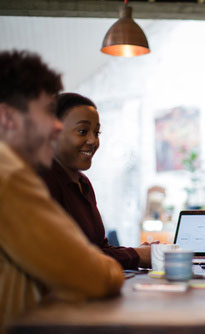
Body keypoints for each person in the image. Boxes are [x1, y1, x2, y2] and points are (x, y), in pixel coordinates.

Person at [0, 50, 124, 329]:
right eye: (46, 113)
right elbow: (90, 274)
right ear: (8, 117)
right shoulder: (10, 175)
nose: (56, 126)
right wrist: (109, 267)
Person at [38, 93, 151, 270]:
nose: (93, 141)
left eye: (96, 132)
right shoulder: (42, 182)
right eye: (83, 131)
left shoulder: (83, 183)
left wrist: (139, 252)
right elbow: (72, 257)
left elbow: (99, 249)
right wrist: (137, 256)